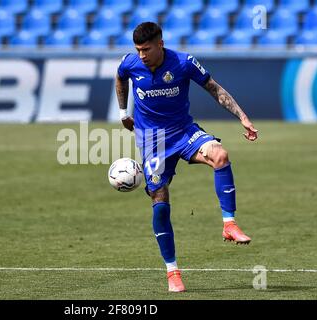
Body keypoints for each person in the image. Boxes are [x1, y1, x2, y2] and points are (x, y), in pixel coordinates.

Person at [115, 22, 258, 293]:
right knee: (160, 199)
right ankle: (173, 272)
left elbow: (214, 88)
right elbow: (120, 77)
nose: (142, 55)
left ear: (160, 43)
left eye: (146, 49)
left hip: (183, 132)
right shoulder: (129, 63)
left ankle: (229, 223)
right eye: (138, 50)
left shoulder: (183, 62)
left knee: (220, 155)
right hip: (153, 140)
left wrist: (242, 116)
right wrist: (123, 113)